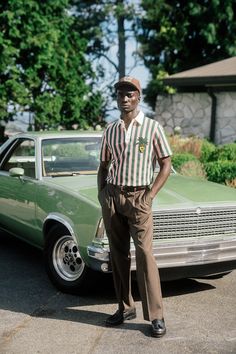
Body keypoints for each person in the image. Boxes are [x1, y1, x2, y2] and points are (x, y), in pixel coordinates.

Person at [97, 76, 172, 338]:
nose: (125, 98)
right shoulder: (110, 130)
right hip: (114, 197)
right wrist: (103, 195)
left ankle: (156, 315)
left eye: (130, 94)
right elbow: (104, 166)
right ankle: (125, 307)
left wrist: (149, 196)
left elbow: (166, 164)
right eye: (120, 94)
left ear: (139, 97)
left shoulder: (152, 127)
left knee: (144, 255)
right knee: (118, 255)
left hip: (140, 198)